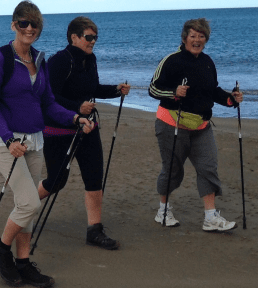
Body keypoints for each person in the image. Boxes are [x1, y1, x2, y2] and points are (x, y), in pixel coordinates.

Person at [0, 2, 93, 287]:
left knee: (27, 206)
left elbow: (47, 104)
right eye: (23, 23)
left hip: (35, 140)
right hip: (5, 142)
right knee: (30, 203)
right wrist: (8, 139)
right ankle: (1, 250)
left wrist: (73, 119)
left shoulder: (39, 60)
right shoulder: (0, 58)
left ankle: (23, 262)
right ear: (13, 25)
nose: (29, 28)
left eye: (35, 24)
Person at [41, 16, 130, 250]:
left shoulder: (90, 60)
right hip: (59, 130)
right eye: (89, 37)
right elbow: (48, 97)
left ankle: (95, 231)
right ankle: (25, 205)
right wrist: (76, 107)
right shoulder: (59, 61)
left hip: (88, 128)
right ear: (74, 37)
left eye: (95, 38)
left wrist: (115, 90)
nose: (93, 42)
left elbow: (92, 89)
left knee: (94, 178)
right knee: (56, 181)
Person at [148, 18, 243, 231]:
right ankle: (163, 210)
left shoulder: (207, 62)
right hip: (171, 123)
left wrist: (230, 99)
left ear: (206, 39)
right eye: (193, 36)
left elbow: (212, 90)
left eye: (201, 36)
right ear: (185, 38)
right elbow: (153, 89)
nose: (197, 40)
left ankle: (211, 217)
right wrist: (174, 93)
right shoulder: (171, 61)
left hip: (201, 126)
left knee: (208, 168)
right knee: (172, 170)